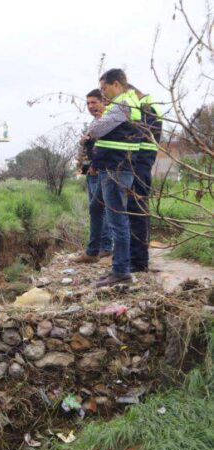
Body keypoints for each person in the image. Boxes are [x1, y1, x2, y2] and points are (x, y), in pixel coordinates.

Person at [83, 68, 142, 288]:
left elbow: (96, 129)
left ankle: (121, 272)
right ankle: (117, 266)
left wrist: (95, 127)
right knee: (109, 215)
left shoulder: (123, 103)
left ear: (116, 84)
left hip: (116, 169)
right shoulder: (126, 101)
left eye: (104, 88)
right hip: (114, 168)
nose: (103, 93)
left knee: (118, 222)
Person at [73, 89, 113, 263]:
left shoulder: (107, 122)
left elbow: (103, 148)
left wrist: (95, 165)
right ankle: (99, 248)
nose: (90, 106)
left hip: (101, 170)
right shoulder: (95, 122)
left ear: (103, 102)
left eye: (94, 102)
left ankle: (101, 248)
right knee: (96, 209)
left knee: (99, 209)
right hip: (91, 169)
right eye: (88, 103)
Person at [129, 87, 164, 272]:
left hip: (139, 165)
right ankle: (137, 258)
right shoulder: (148, 106)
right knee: (138, 210)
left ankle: (138, 261)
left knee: (137, 211)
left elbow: (136, 138)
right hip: (141, 164)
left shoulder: (146, 109)